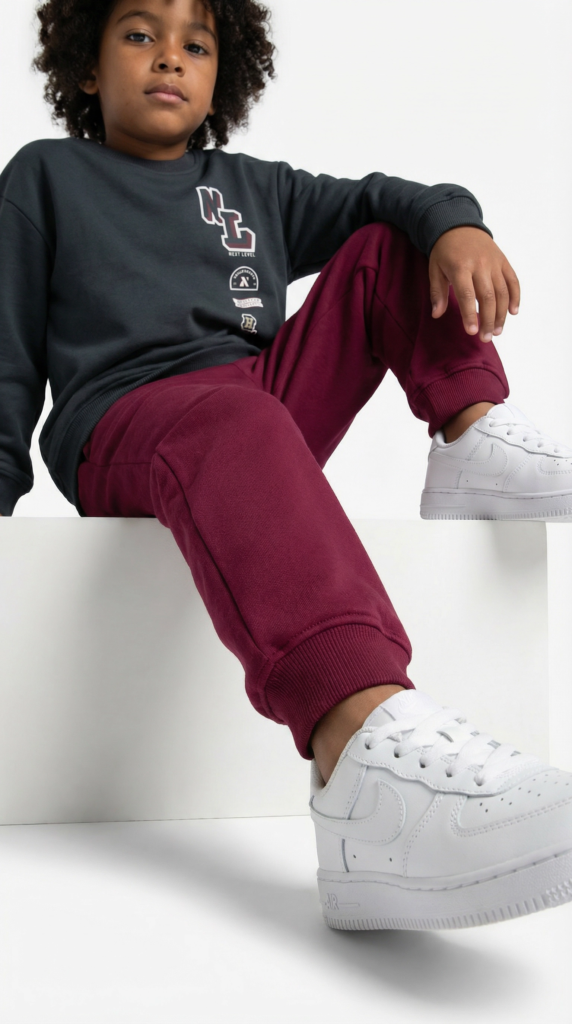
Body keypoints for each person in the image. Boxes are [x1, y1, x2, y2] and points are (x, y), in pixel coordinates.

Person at [0, 0, 571, 931]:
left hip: (253, 414)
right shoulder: (45, 176)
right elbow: (6, 364)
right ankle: (361, 758)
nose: (169, 58)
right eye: (139, 35)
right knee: (235, 415)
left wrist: (455, 223)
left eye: (196, 44)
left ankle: (470, 437)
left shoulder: (251, 186)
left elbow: (390, 198)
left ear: (222, 76)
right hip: (126, 423)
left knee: (389, 242)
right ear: (87, 67)